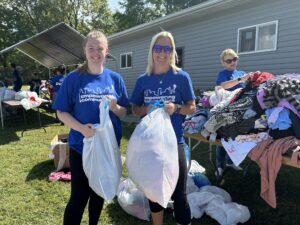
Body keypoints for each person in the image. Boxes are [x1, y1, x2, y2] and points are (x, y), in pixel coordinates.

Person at [52, 30, 129, 225]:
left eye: (100, 48)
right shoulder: (73, 78)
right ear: (84, 51)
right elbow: (61, 112)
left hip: (107, 147)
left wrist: (115, 107)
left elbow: (124, 113)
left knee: (99, 193)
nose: (96, 53)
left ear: (107, 51)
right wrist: (81, 128)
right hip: (81, 146)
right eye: (91, 48)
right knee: (79, 198)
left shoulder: (115, 79)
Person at [130, 31, 196, 225]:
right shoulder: (143, 80)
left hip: (175, 141)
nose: (162, 53)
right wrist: (146, 109)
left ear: (172, 52)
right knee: (154, 190)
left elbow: (192, 108)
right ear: (152, 51)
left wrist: (176, 108)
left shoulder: (181, 77)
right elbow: (134, 109)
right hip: (149, 144)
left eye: (167, 48)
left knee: (180, 193)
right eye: (158, 48)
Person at [215, 48, 250, 176]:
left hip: (240, 110)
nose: (233, 62)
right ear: (223, 63)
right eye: (229, 60)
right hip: (226, 110)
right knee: (223, 138)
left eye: (235, 59)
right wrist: (241, 79)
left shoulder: (241, 72)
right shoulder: (223, 74)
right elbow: (223, 86)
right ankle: (219, 165)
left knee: (235, 137)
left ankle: (231, 161)